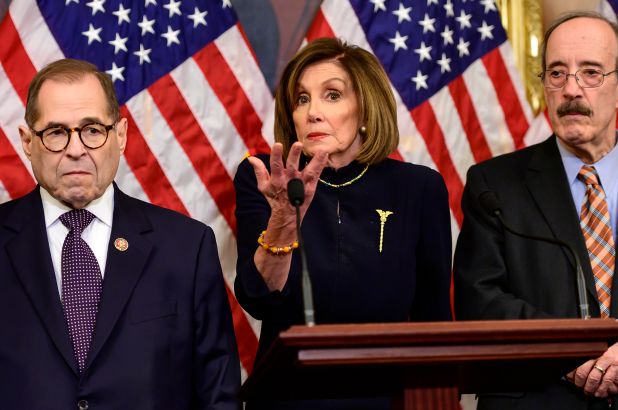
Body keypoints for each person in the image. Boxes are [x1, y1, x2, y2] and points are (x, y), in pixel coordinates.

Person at [0, 59, 240, 409]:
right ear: (26, 141)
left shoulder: (187, 248)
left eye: (93, 129)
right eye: (55, 133)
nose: (76, 149)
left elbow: (219, 396)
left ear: (121, 135)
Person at [234, 38, 452, 409]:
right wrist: (284, 220)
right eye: (302, 99)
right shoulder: (268, 181)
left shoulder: (419, 188)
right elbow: (257, 296)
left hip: (388, 399)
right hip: (289, 398)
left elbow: (434, 322)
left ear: (366, 111)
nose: (312, 112)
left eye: (332, 96)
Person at [454, 11, 618, 410]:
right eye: (557, 73)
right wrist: (569, 355)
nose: (571, 90)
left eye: (591, 72)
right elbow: (480, 301)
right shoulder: (494, 185)